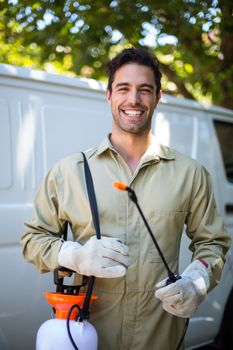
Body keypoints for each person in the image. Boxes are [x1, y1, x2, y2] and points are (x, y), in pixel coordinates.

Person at [20, 47, 230, 350]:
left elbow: (213, 244)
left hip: (162, 339)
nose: (134, 99)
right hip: (87, 337)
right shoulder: (68, 172)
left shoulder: (192, 174)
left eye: (144, 90)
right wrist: (73, 255)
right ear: (108, 95)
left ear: (158, 97)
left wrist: (198, 279)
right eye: (123, 88)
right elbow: (32, 240)